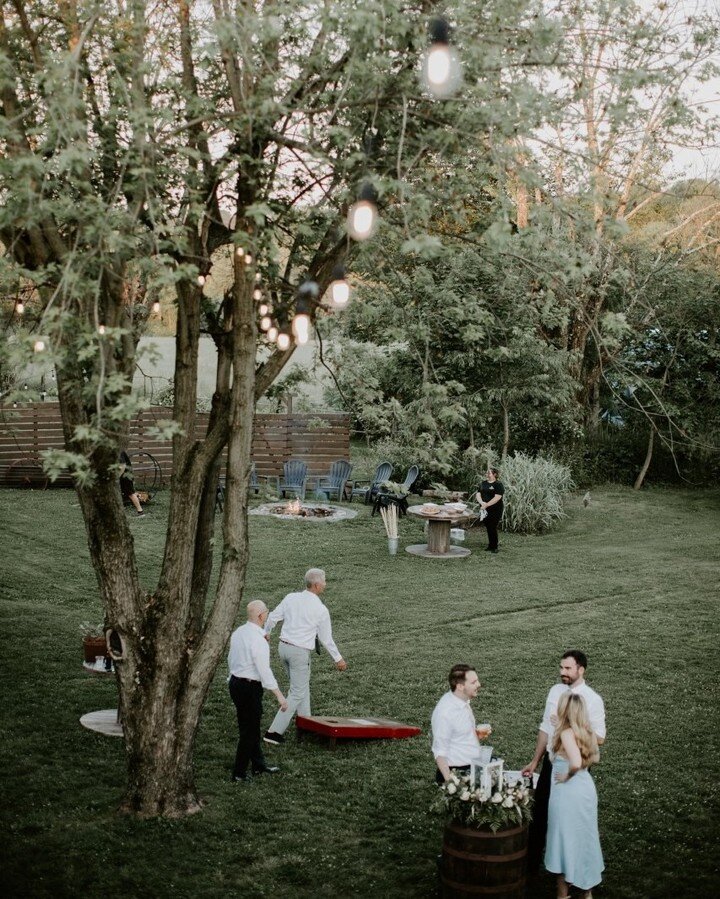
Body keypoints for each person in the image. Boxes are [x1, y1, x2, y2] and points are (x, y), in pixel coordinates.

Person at [522, 650, 606, 877]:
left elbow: (599, 738)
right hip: (551, 764)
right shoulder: (555, 691)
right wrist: (535, 761)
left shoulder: (592, 699)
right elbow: (544, 729)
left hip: (573, 767)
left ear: (581, 669)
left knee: (569, 821)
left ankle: (571, 868)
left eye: (568, 669)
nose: (563, 673)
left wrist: (570, 724)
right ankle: (531, 869)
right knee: (539, 816)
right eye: (561, 668)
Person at [263, 568, 347, 745]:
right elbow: (326, 638)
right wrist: (338, 658)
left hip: (283, 649)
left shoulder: (291, 597)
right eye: (324, 581)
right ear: (316, 585)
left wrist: (267, 632)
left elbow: (272, 618)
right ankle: (274, 732)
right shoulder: (320, 609)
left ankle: (306, 723)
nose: (326, 584)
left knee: (301, 687)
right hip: (299, 653)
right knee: (297, 691)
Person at [544, 692, 604, 898]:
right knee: (584, 838)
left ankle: (563, 894)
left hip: (567, 793)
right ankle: (586, 892)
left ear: (564, 710)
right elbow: (593, 758)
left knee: (563, 838)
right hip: (586, 789)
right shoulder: (587, 731)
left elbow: (576, 763)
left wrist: (567, 776)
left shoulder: (566, 734)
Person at [228, 600, 288, 782]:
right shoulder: (259, 640)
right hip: (249, 686)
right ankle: (239, 772)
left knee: (249, 726)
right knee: (249, 730)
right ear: (262, 616)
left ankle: (258, 765)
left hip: (235, 683)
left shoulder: (239, 632)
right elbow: (264, 670)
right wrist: (279, 696)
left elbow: (231, 658)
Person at [431, 664, 490, 784]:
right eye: (473, 682)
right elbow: (439, 753)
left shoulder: (461, 700)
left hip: (472, 767)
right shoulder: (445, 712)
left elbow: (458, 732)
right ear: (460, 686)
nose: (478, 685)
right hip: (458, 773)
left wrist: (474, 734)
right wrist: (452, 785)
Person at [475, 466, 504, 553]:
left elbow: (497, 497)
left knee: (492, 527)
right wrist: (482, 503)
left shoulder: (498, 484)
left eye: (489, 473)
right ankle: (490, 545)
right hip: (485, 508)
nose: (487, 474)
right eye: (487, 472)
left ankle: (494, 547)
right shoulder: (483, 483)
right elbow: (478, 494)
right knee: (488, 527)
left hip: (496, 509)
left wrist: (487, 504)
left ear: (494, 474)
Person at [119, 451, 144, 516]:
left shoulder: (119, 451)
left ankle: (140, 512)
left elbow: (122, 466)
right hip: (121, 475)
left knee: (131, 493)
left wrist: (117, 477)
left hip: (126, 476)